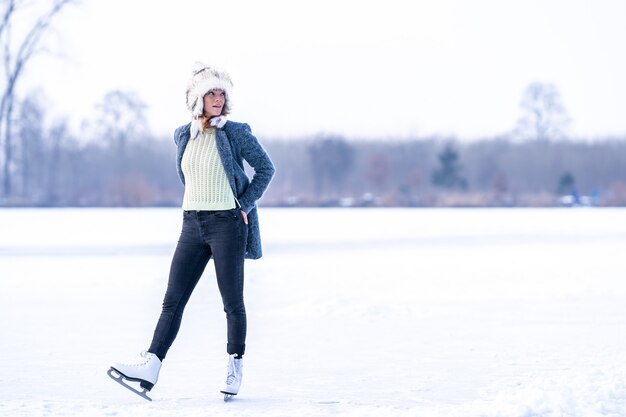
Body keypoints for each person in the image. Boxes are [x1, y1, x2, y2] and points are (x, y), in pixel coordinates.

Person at [108, 63, 275, 401]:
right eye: (211, 92)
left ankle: (234, 365)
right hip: (191, 224)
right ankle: (151, 366)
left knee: (232, 302)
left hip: (227, 224)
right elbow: (190, 177)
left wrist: (243, 205)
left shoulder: (236, 132)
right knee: (172, 300)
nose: (217, 98)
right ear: (196, 98)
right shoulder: (183, 134)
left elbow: (266, 169)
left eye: (221, 93)